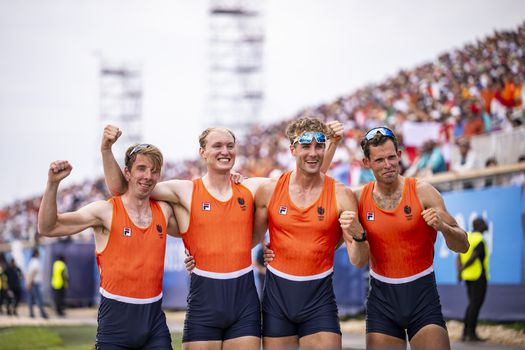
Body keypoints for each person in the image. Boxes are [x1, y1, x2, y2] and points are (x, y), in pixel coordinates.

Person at [101, 121, 344, 350]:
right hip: (203, 305)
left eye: (230, 146)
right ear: (202, 152)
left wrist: (330, 146)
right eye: (217, 146)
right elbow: (124, 190)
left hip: (244, 306)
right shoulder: (185, 190)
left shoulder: (251, 188)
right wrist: (106, 149)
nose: (224, 151)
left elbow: (308, 178)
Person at [38, 140, 179, 349]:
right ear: (127, 173)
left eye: (154, 171)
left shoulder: (164, 211)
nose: (148, 176)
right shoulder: (105, 212)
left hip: (154, 321)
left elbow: (196, 230)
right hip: (115, 321)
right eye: (141, 168)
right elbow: (48, 227)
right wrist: (52, 184)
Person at [252, 117, 369, 350]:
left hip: (319, 302)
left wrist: (359, 235)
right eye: (306, 146)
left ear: (326, 148)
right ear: (293, 149)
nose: (313, 153)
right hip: (277, 302)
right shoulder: (269, 190)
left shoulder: (341, 194)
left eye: (319, 146)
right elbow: (248, 241)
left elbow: (359, 260)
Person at [356, 126, 469, 350]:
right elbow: (350, 254)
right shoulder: (359, 198)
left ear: (399, 155)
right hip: (382, 301)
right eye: (379, 160)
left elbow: (463, 244)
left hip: (422, 297)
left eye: (391, 157)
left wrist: (443, 227)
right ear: (366, 163)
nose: (388, 165)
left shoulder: (423, 191)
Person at [457, 217, 489, 342]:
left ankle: (466, 332)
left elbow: (458, 257)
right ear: (480, 226)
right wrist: (464, 268)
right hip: (478, 276)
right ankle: (471, 333)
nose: (486, 225)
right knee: (475, 305)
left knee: (472, 305)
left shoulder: (467, 236)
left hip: (467, 277)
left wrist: (460, 271)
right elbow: (474, 256)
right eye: (484, 223)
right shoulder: (480, 239)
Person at [26, 248, 48, 319]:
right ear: (36, 254)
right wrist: (29, 282)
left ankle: (31, 313)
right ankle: (42, 313)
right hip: (35, 282)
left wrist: (28, 282)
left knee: (31, 298)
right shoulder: (35, 261)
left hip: (33, 282)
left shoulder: (32, 261)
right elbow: (33, 272)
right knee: (38, 298)